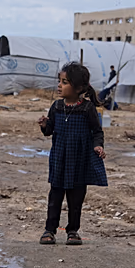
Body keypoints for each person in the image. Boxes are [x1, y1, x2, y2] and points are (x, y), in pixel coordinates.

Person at [38, 62, 107, 246]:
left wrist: (98, 146)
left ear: (78, 88)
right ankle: (49, 230)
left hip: (79, 161)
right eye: (59, 81)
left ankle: (73, 231)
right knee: (55, 198)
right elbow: (50, 130)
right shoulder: (57, 107)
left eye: (65, 82)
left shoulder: (87, 109)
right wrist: (45, 125)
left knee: (76, 199)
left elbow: (97, 132)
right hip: (59, 159)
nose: (59, 85)